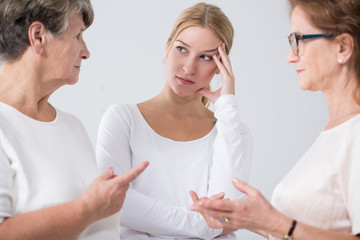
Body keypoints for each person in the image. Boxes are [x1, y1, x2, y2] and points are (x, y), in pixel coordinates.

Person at [190, 0, 360, 239]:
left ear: (342, 47)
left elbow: (288, 228)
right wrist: (244, 219)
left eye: (298, 40)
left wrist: (278, 223)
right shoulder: (334, 134)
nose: (290, 56)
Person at [96, 2, 252, 239]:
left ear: (221, 66)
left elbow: (227, 213)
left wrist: (226, 106)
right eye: (182, 49)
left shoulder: (233, 132)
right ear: (167, 47)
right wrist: (203, 225)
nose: (189, 67)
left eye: (206, 57)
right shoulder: (123, 119)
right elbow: (114, 202)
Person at [0, 0, 148, 239]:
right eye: (77, 35)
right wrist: (87, 209)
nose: (86, 51)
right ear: (38, 37)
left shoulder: (72, 126)